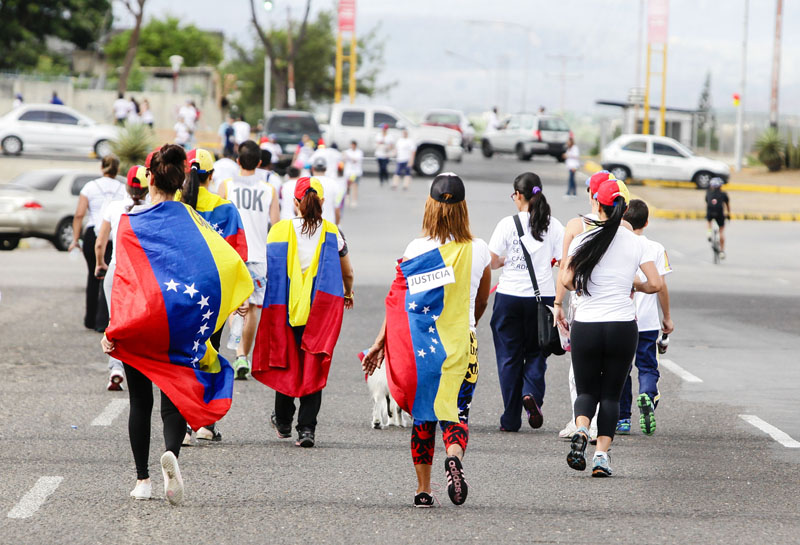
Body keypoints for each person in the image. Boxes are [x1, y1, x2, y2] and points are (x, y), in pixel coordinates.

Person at [101, 144, 253, 505]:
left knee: (139, 402)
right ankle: (172, 453)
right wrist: (231, 302)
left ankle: (142, 480)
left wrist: (112, 330)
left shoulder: (129, 224)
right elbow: (223, 264)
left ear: (149, 177)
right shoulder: (196, 221)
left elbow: (122, 283)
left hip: (139, 324)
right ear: (181, 178)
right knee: (172, 399)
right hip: (179, 323)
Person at [362, 173, 490, 507]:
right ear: (463, 209)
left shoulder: (416, 249)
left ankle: (424, 490)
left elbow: (400, 306)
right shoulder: (479, 250)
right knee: (456, 413)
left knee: (423, 417)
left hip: (424, 350)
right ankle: (454, 456)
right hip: (462, 345)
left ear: (430, 206)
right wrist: (469, 324)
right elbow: (480, 301)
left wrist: (380, 342)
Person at [557, 178, 663, 478]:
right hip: (621, 325)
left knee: (587, 389)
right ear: (624, 209)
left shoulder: (582, 239)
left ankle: (581, 428)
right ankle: (601, 456)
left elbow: (566, 280)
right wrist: (634, 284)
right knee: (612, 396)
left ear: (597, 205)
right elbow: (655, 283)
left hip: (587, 324)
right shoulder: (636, 242)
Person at [251, 176, 353, 448]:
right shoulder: (334, 233)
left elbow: (270, 271)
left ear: (295, 203)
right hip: (320, 311)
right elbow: (348, 272)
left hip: (284, 308)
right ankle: (307, 429)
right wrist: (348, 293)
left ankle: (283, 421)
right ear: (322, 201)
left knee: (287, 361)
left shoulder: (279, 230)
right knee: (313, 364)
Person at [488, 172, 564, 432]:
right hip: (541, 299)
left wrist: (506, 260)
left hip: (508, 297)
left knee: (508, 358)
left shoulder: (506, 224)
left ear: (518, 195)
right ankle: (531, 394)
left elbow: (493, 260)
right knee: (537, 352)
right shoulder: (553, 225)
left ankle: (510, 418)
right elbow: (565, 262)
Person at [219, 140, 280, 379]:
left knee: (235, 304)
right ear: (260, 163)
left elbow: (218, 220)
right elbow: (275, 225)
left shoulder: (226, 186)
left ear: (237, 161)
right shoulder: (269, 189)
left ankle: (237, 350)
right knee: (253, 307)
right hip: (258, 255)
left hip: (232, 253)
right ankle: (245, 355)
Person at [616, 199, 674, 436]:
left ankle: (622, 419)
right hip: (648, 323)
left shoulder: (617, 243)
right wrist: (667, 317)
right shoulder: (656, 248)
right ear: (647, 222)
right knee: (648, 366)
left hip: (621, 319)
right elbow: (661, 287)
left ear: (623, 219)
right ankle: (647, 395)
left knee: (621, 370)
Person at [93, 165, 151, 391]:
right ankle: (141, 368)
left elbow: (101, 242)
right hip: (142, 272)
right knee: (140, 321)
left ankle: (116, 367)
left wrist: (100, 264)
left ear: (126, 186)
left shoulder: (115, 207)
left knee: (115, 320)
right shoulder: (154, 209)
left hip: (117, 270)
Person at [69, 155, 125, 332]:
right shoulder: (123, 188)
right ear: (117, 169)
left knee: (92, 276)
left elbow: (79, 214)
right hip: (112, 236)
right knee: (109, 278)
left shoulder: (90, 187)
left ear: (102, 168)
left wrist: (75, 239)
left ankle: (90, 319)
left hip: (92, 235)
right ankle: (104, 321)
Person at [310, 157, 342, 225]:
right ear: (326, 169)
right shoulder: (334, 184)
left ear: (313, 168)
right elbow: (337, 208)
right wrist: (336, 226)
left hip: (310, 225)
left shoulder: (308, 182)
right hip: (329, 224)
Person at [706, 177, 730, 259]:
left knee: (709, 221)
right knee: (721, 230)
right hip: (720, 214)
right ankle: (722, 252)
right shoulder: (724, 194)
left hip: (710, 212)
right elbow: (727, 206)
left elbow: (707, 202)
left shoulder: (708, 193)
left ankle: (709, 232)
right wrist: (728, 214)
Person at [343, 140, 364, 207]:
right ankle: (347, 197)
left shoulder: (359, 152)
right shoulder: (347, 151)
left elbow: (355, 160)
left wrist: (349, 157)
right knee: (348, 186)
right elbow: (343, 159)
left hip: (356, 172)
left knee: (355, 186)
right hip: (348, 172)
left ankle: (354, 200)